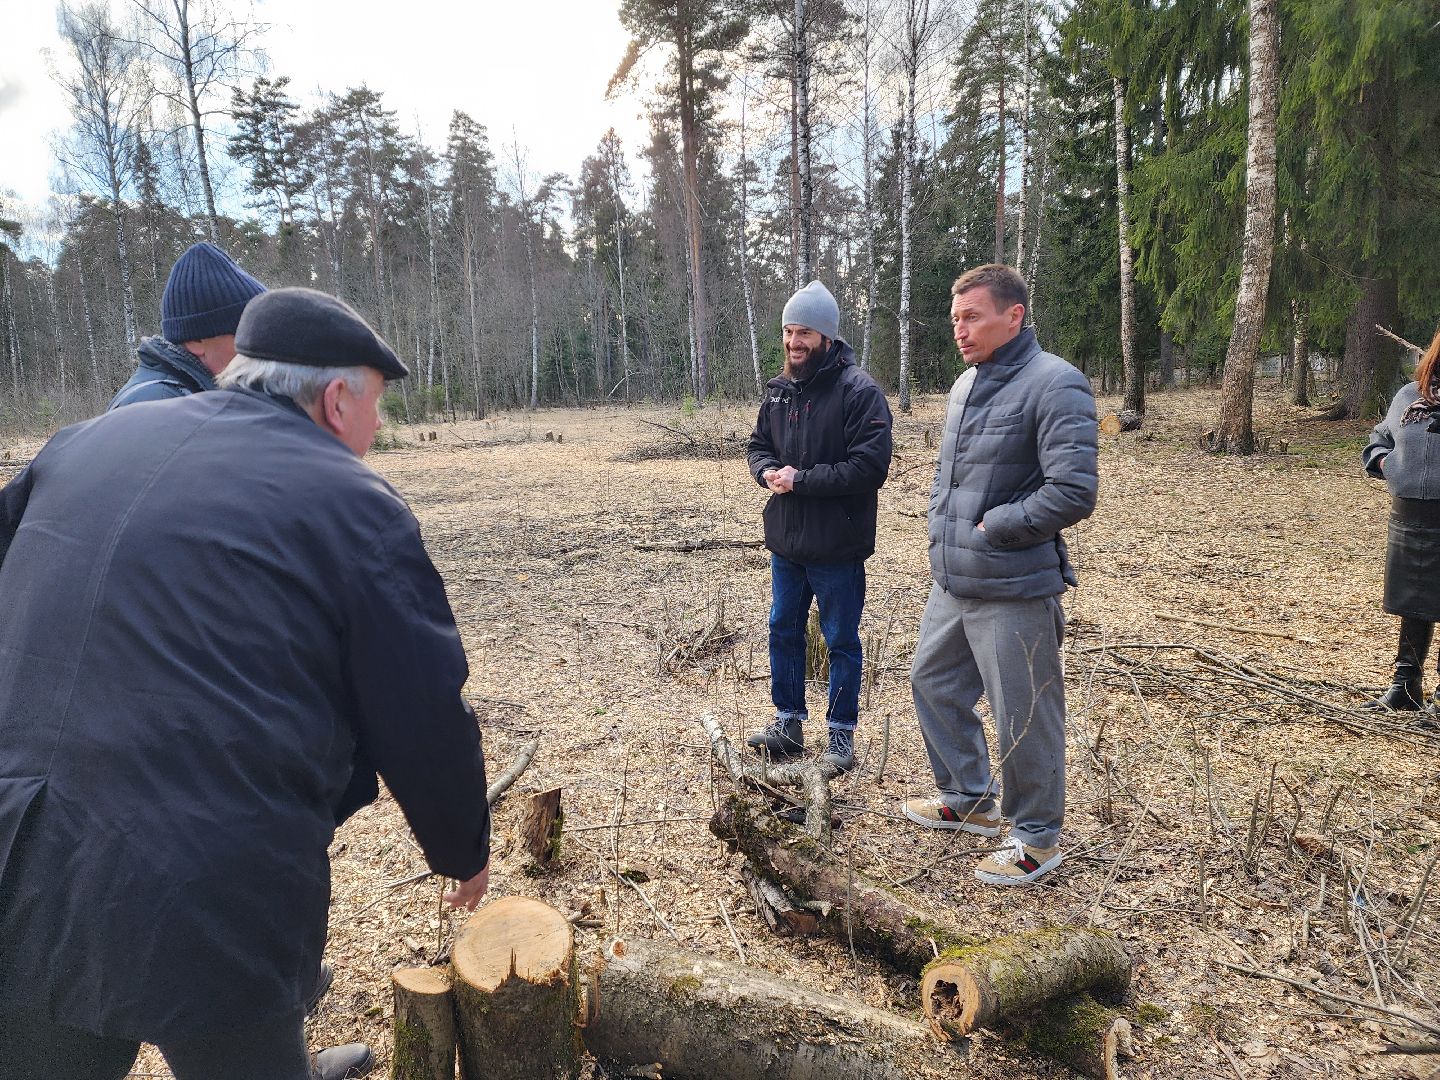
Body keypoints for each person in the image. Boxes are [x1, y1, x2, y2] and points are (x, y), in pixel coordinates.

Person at [0, 288, 491, 1080]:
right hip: (207, 880)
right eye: (377, 412)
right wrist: (461, 846)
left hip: (23, 847)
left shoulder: (84, 443)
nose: (375, 435)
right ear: (337, 400)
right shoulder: (353, 502)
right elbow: (421, 706)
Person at [903, 263, 1097, 886]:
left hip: (1014, 586)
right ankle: (969, 797)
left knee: (1025, 712)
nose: (960, 330)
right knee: (932, 682)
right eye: (956, 318)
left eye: (973, 317)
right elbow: (952, 478)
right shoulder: (964, 386)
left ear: (1013, 316)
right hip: (954, 581)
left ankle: (1036, 837)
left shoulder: (1056, 383)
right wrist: (943, 532)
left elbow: (1072, 490)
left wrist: (994, 527)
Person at [745, 279, 893, 772]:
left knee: (841, 640)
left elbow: (870, 468)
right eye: (788, 331)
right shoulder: (781, 392)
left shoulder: (860, 393)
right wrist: (765, 470)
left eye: (804, 332)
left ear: (827, 336)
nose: (793, 342)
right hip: (787, 542)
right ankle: (788, 722)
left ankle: (841, 739)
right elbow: (757, 445)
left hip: (837, 544)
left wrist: (801, 479)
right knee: (782, 628)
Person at [1362, 326, 1440, 712]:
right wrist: (1383, 462)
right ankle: (1405, 686)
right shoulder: (1410, 396)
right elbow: (1380, 437)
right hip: (1409, 513)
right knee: (1414, 601)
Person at [108, 241, 266, 410]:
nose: (261, 346)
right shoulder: (155, 404)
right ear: (196, 341)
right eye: (246, 334)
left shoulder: (194, 396)